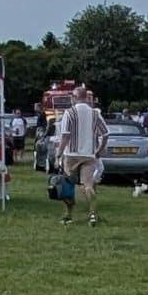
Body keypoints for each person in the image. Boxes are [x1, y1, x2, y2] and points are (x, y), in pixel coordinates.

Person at [53, 87, 105, 225]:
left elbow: (65, 136)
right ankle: (93, 213)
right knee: (88, 185)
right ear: (86, 98)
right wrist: (100, 149)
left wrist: (58, 155)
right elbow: (105, 134)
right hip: (89, 155)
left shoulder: (69, 113)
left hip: (71, 155)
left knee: (68, 186)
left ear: (74, 98)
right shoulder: (95, 113)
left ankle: (68, 215)